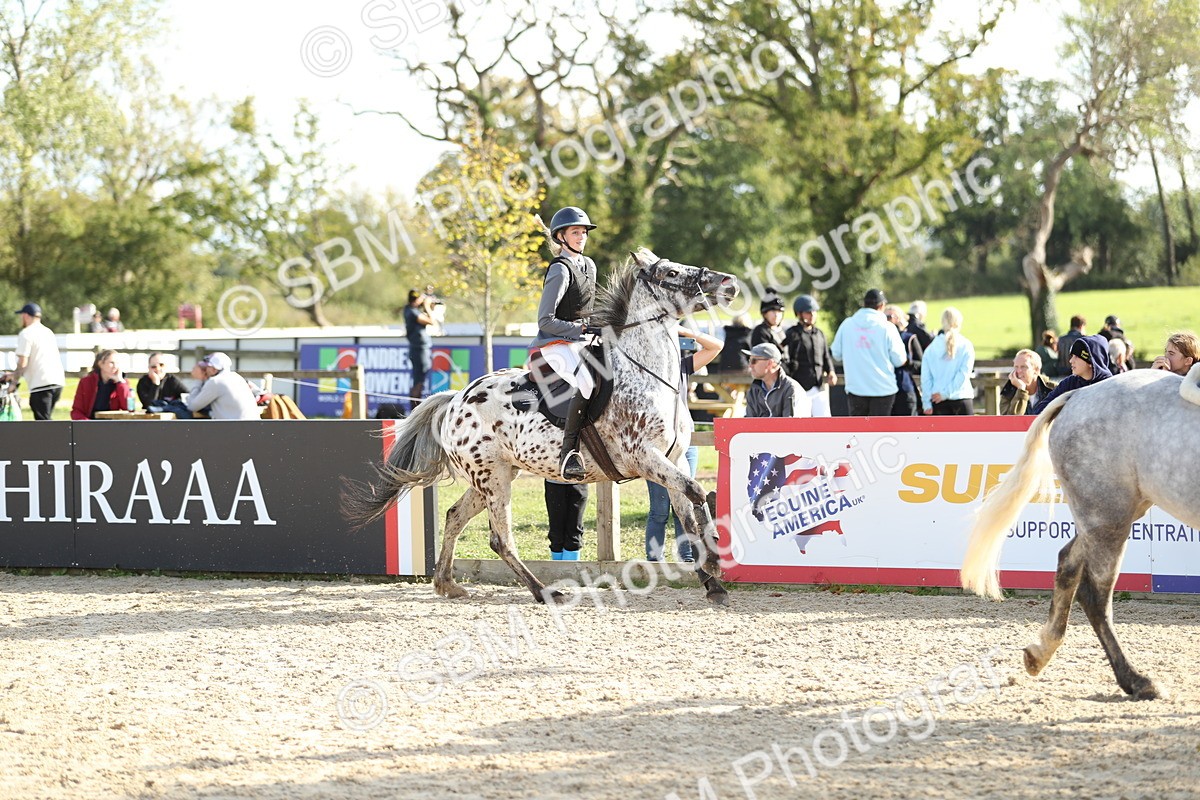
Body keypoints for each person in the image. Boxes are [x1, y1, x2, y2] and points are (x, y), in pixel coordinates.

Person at [530, 206, 600, 482]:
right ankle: (568, 452)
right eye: (575, 232)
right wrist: (579, 328)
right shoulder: (559, 270)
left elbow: (589, 309)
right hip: (556, 342)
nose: (582, 237)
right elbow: (545, 320)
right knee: (587, 384)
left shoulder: (589, 265)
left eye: (584, 232)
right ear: (561, 237)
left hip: (581, 340)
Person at [644, 327, 722, 562]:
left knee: (686, 503)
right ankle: (654, 560)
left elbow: (716, 346)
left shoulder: (682, 366)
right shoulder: (645, 370)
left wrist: (685, 331)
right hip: (656, 446)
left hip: (684, 445)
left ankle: (686, 557)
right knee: (659, 509)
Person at [830, 288, 906, 416]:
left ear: (864, 304)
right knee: (880, 428)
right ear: (881, 306)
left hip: (856, 388)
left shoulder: (847, 325)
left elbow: (836, 354)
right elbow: (899, 360)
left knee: (858, 428)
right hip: (883, 389)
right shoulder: (888, 327)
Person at [9, 302, 65, 420]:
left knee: (43, 423)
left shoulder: (26, 333)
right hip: (57, 381)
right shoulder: (48, 332)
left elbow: (23, 361)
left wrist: (14, 383)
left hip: (41, 383)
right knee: (46, 419)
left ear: (25, 316)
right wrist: (12, 374)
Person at [783, 294, 836, 417]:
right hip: (799, 388)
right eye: (808, 312)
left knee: (824, 422)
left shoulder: (819, 334)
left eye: (814, 312)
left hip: (818, 387)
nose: (812, 315)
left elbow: (826, 356)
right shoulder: (792, 333)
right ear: (799, 314)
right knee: (801, 423)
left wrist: (831, 371)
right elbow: (783, 356)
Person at [1031, 335, 1112, 414]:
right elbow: (1041, 410)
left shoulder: (1109, 386)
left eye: (1076, 356)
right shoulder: (1069, 383)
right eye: (1072, 356)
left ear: (1091, 361)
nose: (1071, 361)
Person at [920, 307, 975, 416]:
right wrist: (946, 393)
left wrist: (926, 403)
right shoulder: (966, 345)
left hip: (937, 399)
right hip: (961, 396)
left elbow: (926, 378)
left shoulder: (930, 349)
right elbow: (964, 374)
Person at [185, 352, 261, 420]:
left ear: (214, 369)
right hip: (252, 425)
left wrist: (198, 380)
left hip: (236, 428)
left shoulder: (215, 382)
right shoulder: (236, 376)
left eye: (208, 367)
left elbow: (192, 406)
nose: (206, 370)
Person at [744, 342, 809, 417]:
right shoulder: (753, 390)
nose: (750, 365)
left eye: (754, 361)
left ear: (769, 363)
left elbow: (791, 423)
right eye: (749, 360)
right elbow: (749, 421)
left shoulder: (791, 389)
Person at [71, 349, 133, 420]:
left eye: (117, 363)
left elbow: (129, 408)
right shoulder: (86, 382)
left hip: (113, 423)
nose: (115, 366)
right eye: (112, 363)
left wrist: (120, 382)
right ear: (100, 364)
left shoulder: (123, 383)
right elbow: (77, 410)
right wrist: (88, 423)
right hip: (90, 422)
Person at [884, 304, 923, 416]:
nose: (887, 320)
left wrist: (906, 363)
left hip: (904, 387)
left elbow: (922, 365)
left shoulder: (909, 338)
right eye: (885, 317)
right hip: (884, 389)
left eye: (890, 317)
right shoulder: (879, 338)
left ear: (899, 318)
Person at [1000, 349, 1055, 415]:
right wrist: (1021, 390)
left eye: (1024, 367)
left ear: (1036, 370)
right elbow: (1011, 420)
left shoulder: (1053, 390)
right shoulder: (1008, 392)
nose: (1019, 371)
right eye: (1016, 367)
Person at [405, 289, 434, 412]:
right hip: (419, 350)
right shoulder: (412, 311)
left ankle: (415, 410)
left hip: (419, 349)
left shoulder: (410, 310)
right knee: (418, 382)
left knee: (419, 381)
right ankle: (415, 411)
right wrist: (427, 306)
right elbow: (431, 321)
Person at [750, 290, 789, 374]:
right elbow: (765, 356)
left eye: (779, 312)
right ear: (764, 314)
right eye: (773, 311)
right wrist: (782, 345)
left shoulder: (781, 331)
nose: (776, 315)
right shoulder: (760, 331)